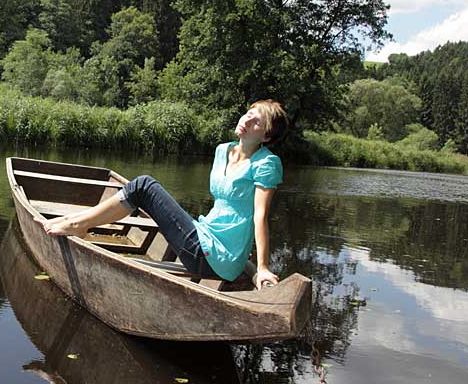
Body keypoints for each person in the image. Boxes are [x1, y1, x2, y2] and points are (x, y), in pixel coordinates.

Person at [35, 100, 289, 290]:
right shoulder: (224, 150)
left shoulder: (266, 163)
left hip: (213, 257)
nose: (247, 119)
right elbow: (227, 208)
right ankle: (80, 221)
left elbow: (259, 215)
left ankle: (78, 224)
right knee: (143, 189)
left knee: (144, 186)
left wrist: (263, 267)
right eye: (248, 113)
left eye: (256, 121)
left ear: (266, 136)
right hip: (205, 235)